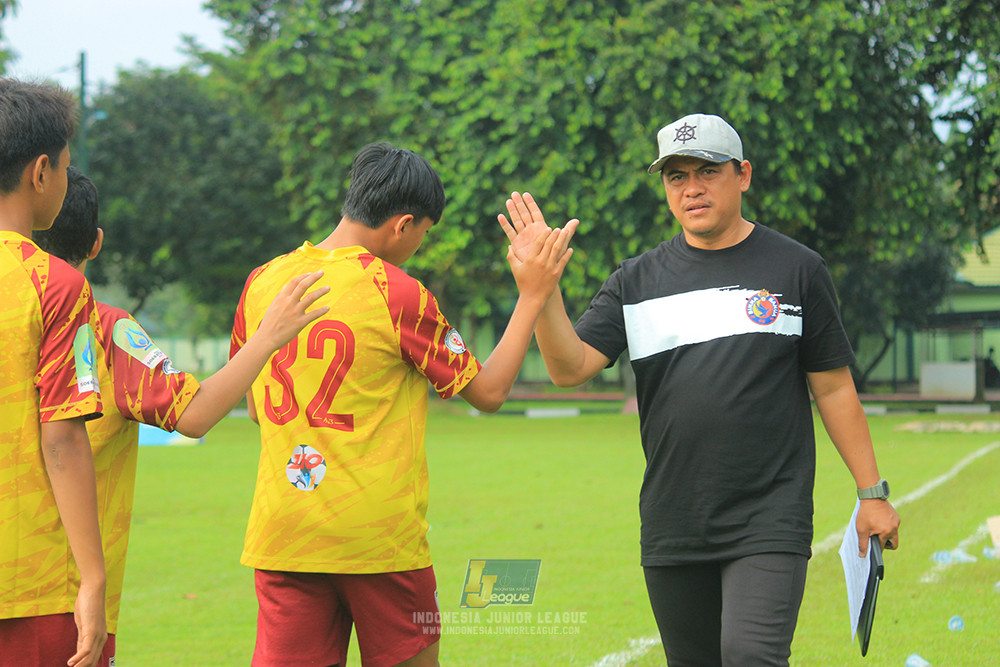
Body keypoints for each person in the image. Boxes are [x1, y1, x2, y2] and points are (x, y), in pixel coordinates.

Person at [498, 113, 901, 666]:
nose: (691, 188)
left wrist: (871, 494)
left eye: (707, 171)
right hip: (674, 519)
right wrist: (539, 293)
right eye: (676, 176)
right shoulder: (634, 283)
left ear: (743, 175)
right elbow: (569, 368)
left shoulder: (797, 269)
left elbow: (833, 390)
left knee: (750, 655)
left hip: (769, 515)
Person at [230, 141, 576, 667]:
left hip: (284, 531)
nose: (419, 244)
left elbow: (255, 408)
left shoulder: (263, 281)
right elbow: (488, 393)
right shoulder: (395, 291)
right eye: (424, 233)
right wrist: (533, 295)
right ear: (403, 224)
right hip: (379, 540)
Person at [29, 166, 330, 664]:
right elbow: (194, 414)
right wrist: (268, 336)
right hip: (64, 595)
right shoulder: (106, 331)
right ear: (97, 243)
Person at [0, 77, 106, 667]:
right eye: (65, 166)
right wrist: (91, 578)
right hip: (24, 577)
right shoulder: (56, 284)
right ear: (42, 171)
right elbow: (62, 436)